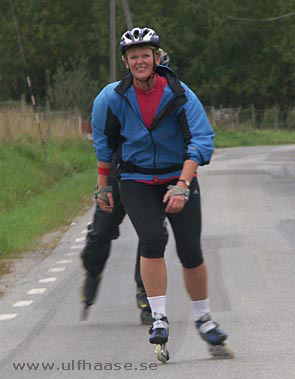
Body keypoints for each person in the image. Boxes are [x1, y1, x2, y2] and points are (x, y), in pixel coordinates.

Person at [91, 27, 233, 360]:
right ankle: (158, 317)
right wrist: (102, 186)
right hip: (136, 180)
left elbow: (201, 141)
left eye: (145, 55)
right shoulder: (110, 98)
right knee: (152, 239)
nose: (140, 61)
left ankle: (204, 318)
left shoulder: (180, 93)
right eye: (133, 56)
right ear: (126, 63)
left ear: (157, 58)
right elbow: (103, 144)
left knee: (189, 250)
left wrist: (182, 185)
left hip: (176, 177)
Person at [80, 50, 170, 325]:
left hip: (152, 177)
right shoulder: (120, 97)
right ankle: (93, 271)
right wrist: (103, 183)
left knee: (152, 234)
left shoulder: (171, 97)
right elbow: (103, 140)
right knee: (102, 231)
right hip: (121, 174)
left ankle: (145, 292)